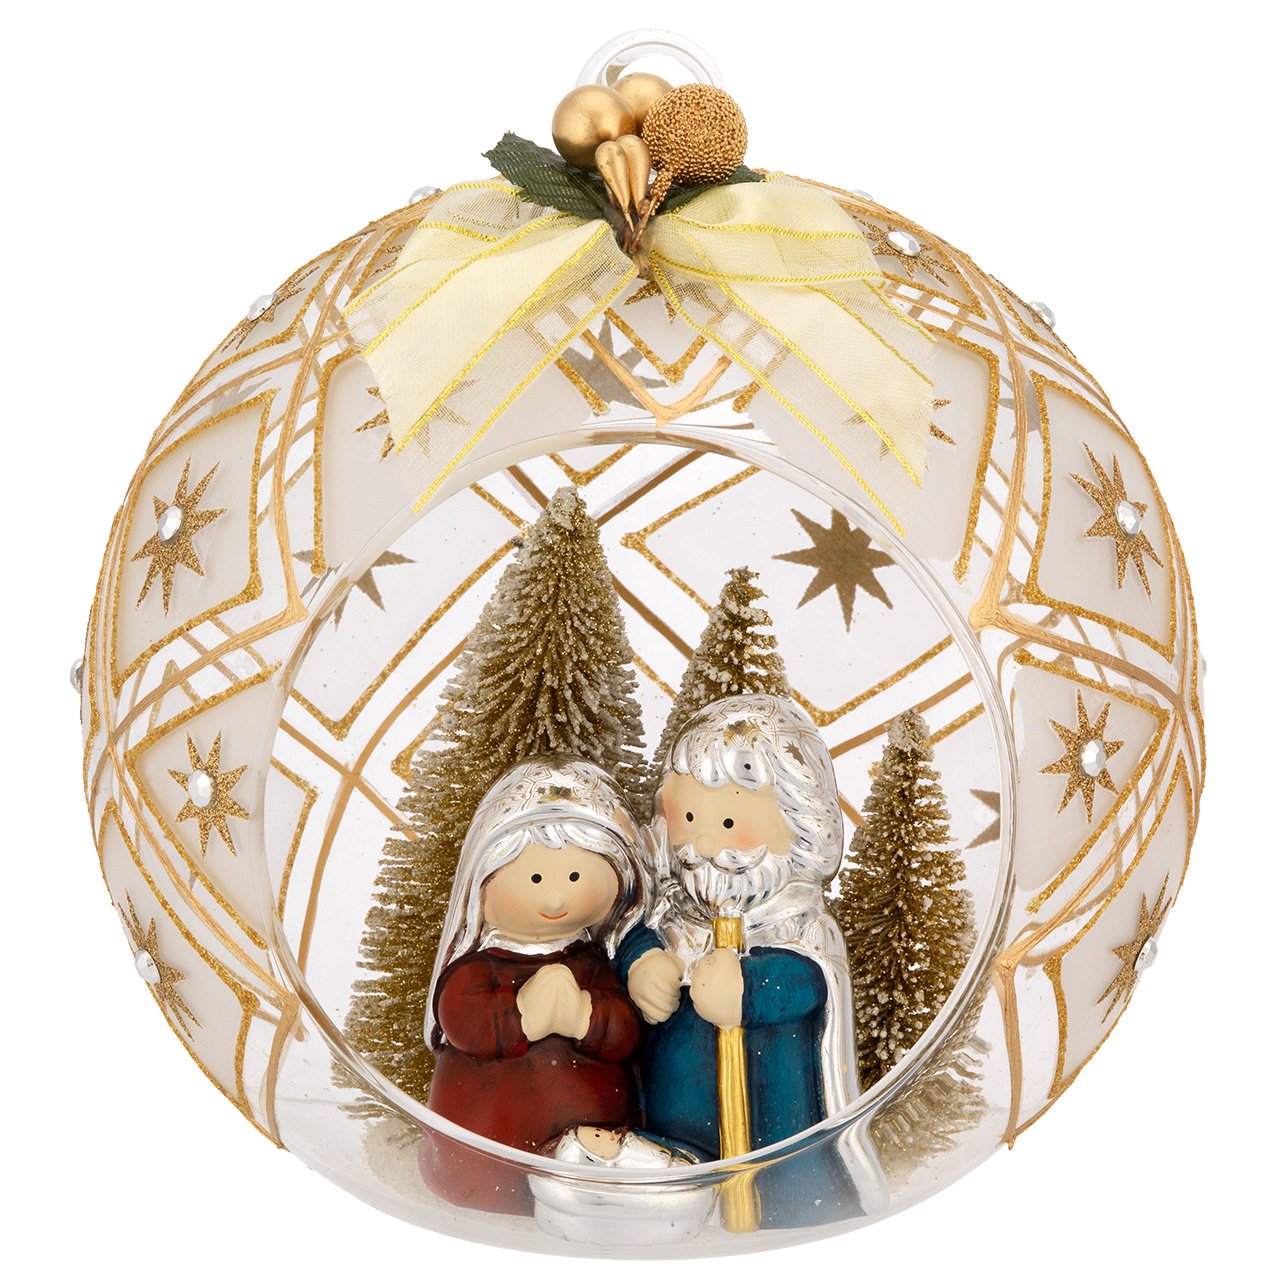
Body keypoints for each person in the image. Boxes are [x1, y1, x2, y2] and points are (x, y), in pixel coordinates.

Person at [618, 693, 877, 1228]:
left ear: (798, 821)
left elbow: (811, 982)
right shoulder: (673, 911)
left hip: (773, 1129)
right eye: (690, 817)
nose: (704, 842)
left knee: (785, 1201)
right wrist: (642, 965)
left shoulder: (797, 921)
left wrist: (751, 989)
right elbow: (634, 940)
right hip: (673, 1134)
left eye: (731, 820)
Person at [421, 757, 647, 1214]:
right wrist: (522, 1016)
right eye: (536, 878)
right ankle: (484, 1186)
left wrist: (586, 1017)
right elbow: (463, 1021)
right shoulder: (479, 968)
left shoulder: (592, 964)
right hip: (489, 1142)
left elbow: (626, 1030)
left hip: (591, 1149)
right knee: (486, 1181)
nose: (556, 898)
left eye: (576, 877)